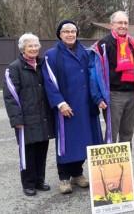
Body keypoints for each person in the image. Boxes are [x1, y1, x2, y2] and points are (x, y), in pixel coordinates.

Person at [42, 20, 103, 194]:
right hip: (66, 107)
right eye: (66, 31)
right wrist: (60, 103)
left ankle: (77, 173)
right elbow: (49, 82)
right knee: (66, 142)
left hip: (86, 105)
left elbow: (95, 75)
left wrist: (99, 97)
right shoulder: (51, 55)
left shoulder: (86, 52)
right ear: (59, 34)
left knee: (85, 140)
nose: (70, 34)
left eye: (73, 31)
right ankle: (64, 178)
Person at [3, 33, 55, 196]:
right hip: (25, 119)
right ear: (22, 48)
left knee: (42, 149)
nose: (33, 49)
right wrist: (16, 119)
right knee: (28, 151)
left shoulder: (43, 65)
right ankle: (28, 183)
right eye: (29, 46)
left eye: (35, 45)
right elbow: (10, 96)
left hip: (43, 115)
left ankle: (40, 180)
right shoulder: (14, 67)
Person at [89, 11, 134, 144]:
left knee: (128, 133)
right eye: (120, 23)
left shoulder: (133, 43)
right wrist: (98, 96)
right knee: (112, 134)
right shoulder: (103, 44)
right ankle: (109, 165)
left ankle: (126, 164)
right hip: (113, 95)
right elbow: (94, 73)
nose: (123, 26)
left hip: (131, 94)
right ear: (111, 25)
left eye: (126, 23)